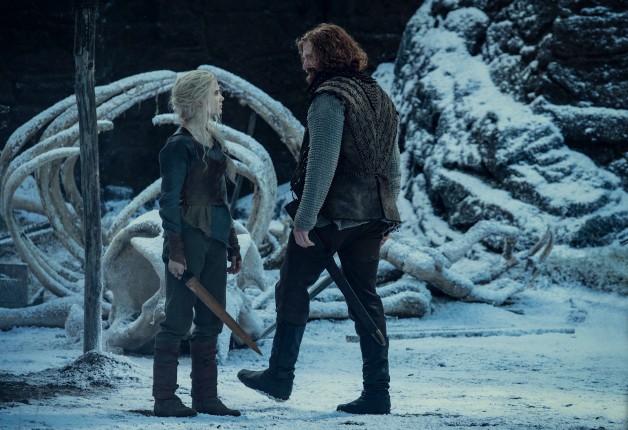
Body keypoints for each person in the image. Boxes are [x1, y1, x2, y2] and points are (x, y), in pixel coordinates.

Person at [237, 23, 401, 415]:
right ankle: (377, 392)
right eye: (303, 55)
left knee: (292, 286)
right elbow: (392, 165)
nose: (304, 63)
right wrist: (388, 216)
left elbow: (322, 165)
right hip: (371, 216)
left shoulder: (329, 98)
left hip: (331, 217)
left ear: (328, 55)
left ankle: (279, 377)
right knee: (365, 298)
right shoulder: (378, 94)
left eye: (309, 55)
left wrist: (305, 219)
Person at [152, 69, 242, 418]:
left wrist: (232, 243)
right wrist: (175, 249)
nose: (222, 98)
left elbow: (221, 199)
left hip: (215, 239)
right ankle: (165, 399)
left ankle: (206, 397)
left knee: (211, 318)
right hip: (188, 238)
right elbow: (169, 200)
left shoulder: (216, 144)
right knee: (176, 318)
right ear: (200, 99)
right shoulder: (178, 146)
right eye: (216, 92)